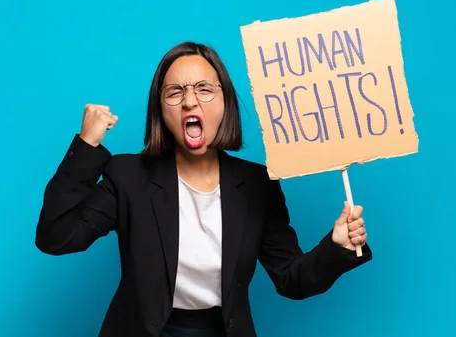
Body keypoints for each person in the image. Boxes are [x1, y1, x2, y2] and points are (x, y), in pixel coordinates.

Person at [35, 41, 372, 337]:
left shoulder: (258, 184)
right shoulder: (128, 176)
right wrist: (86, 144)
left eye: (204, 89)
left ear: (225, 102)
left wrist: (336, 246)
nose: (189, 102)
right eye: (175, 92)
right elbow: (56, 238)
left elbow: (291, 280)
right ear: (161, 110)